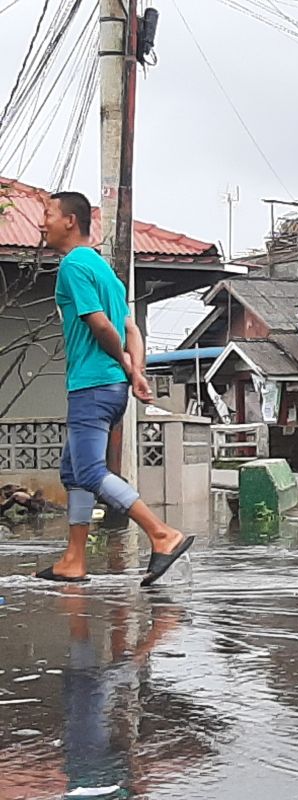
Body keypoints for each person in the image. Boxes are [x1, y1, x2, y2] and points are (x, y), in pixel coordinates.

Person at [35, 192, 193, 586]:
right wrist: (136, 371)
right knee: (73, 470)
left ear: (70, 221)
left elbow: (102, 325)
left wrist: (125, 364)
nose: (42, 222)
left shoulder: (73, 265)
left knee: (89, 471)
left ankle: (162, 534)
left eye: (48, 214)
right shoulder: (106, 271)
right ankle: (73, 559)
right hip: (110, 387)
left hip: (92, 384)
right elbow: (131, 329)